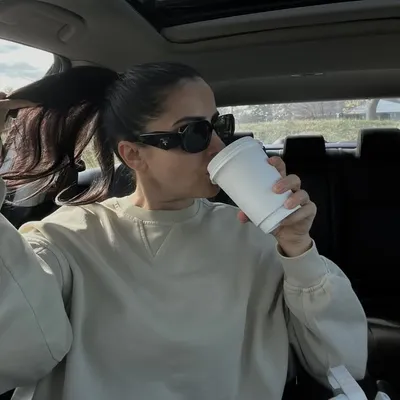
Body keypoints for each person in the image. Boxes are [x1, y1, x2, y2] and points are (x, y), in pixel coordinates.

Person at [0, 63, 367, 400]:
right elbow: (15, 353)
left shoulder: (256, 238)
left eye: (219, 126)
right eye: (194, 133)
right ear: (133, 154)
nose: (218, 147)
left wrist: (298, 248)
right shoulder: (66, 238)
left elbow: (341, 364)